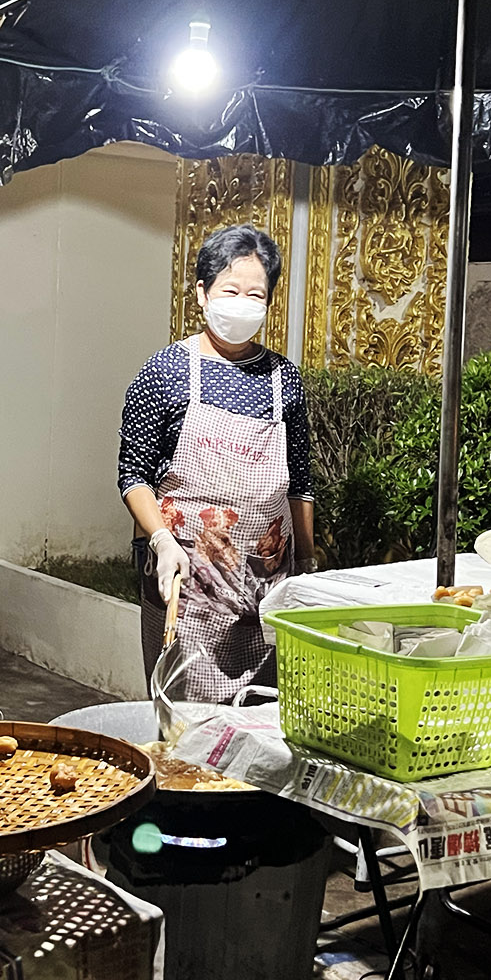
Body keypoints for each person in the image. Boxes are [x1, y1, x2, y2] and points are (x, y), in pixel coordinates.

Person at [120, 224, 315, 703]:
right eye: (231, 290)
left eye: (257, 294)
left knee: (259, 726)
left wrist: (308, 563)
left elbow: (301, 483)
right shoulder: (165, 371)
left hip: (266, 590)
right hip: (186, 587)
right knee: (185, 729)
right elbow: (134, 475)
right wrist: (161, 540)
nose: (244, 302)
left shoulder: (284, 379)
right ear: (203, 294)